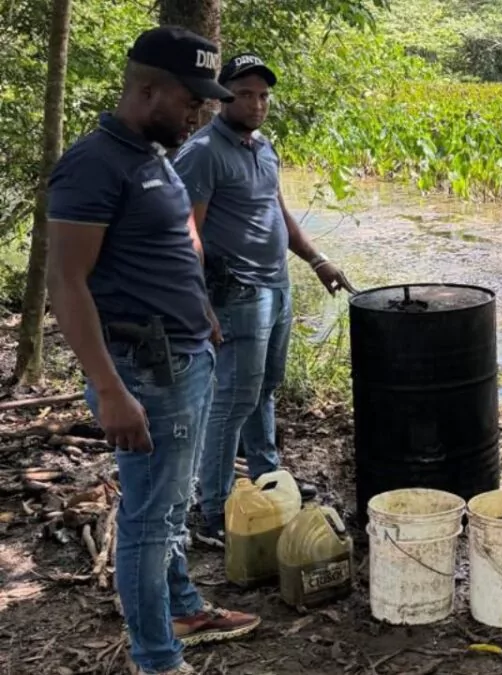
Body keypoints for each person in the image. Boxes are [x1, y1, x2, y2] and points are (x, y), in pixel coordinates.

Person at [45, 26, 262, 675]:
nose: (200, 111)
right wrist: (109, 387)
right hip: (144, 371)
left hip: (186, 357)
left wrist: (200, 311)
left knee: (167, 508)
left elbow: (172, 242)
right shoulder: (94, 163)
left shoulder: (155, 152)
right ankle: (158, 659)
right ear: (146, 90)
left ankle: (184, 606)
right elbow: (67, 281)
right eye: (190, 98)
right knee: (147, 520)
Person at [172, 52, 356, 547]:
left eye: (263, 95)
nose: (256, 104)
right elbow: (187, 232)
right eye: (245, 94)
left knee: (265, 387)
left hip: (275, 284)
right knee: (232, 399)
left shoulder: (262, 148)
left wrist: (316, 260)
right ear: (223, 97)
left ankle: (268, 480)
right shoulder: (204, 152)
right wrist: (199, 301)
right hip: (236, 292)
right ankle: (213, 508)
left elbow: (277, 212)